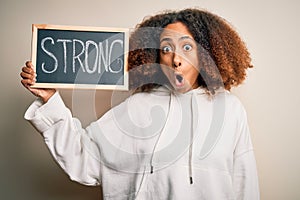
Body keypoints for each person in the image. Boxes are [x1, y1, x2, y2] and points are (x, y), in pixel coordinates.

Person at [20, 8, 260, 200]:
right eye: (167, 49)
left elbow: (244, 182)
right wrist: (50, 99)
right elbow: (84, 160)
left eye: (187, 47)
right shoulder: (137, 107)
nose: (176, 59)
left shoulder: (228, 109)